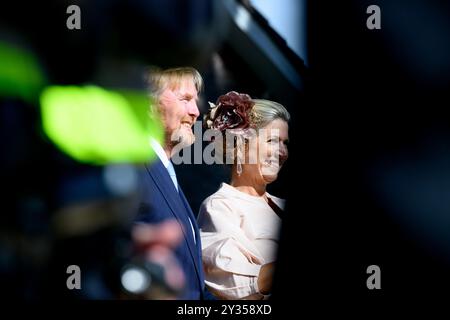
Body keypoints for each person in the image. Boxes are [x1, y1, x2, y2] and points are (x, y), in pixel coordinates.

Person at [198, 91, 290, 299]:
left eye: (285, 143)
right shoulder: (220, 207)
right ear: (240, 145)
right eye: (273, 141)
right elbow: (234, 283)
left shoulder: (281, 205)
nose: (282, 152)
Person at [134, 67, 213, 299]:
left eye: (195, 101)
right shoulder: (134, 168)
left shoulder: (168, 173)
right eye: (185, 99)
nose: (196, 112)